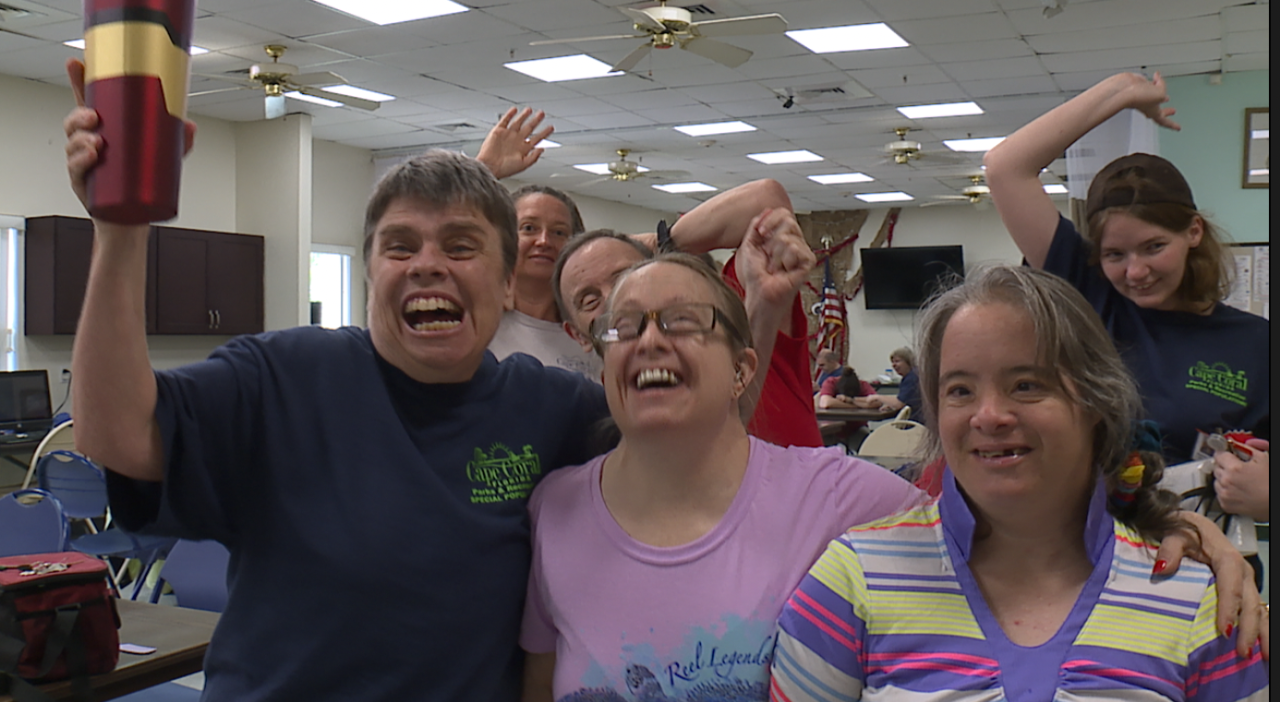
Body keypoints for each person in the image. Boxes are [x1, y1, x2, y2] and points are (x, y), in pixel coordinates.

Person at [63, 57, 617, 699]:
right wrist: (120, 227)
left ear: (505, 281)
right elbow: (116, 433)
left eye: (462, 247)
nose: (427, 265)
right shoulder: (283, 378)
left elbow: (688, 460)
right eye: (400, 247)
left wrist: (754, 306)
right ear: (368, 273)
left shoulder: (551, 408)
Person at [771, 266, 1269, 701]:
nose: (988, 416)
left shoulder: (1198, 597)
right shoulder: (851, 582)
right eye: (960, 390)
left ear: (1097, 403)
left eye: (1026, 385)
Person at [520, 254, 931, 701]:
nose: (650, 339)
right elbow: (539, 685)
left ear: (742, 371)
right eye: (626, 325)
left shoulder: (841, 497)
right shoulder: (556, 507)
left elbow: (988, 555)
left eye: (683, 320)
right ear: (605, 372)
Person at [983, 72, 1269, 466]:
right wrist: (1122, 92)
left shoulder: (1255, 343)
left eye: (1153, 247)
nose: (1135, 272)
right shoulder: (1086, 290)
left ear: (1193, 232)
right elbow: (1004, 167)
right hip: (1079, 523)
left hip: (1189, 524)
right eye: (1114, 254)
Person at [553, 181, 825, 447]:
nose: (613, 298)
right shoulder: (613, 424)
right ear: (578, 335)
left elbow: (766, 204)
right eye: (589, 300)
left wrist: (661, 242)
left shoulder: (740, 313)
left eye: (624, 277)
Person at [867, 346, 922, 417]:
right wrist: (890, 404)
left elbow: (899, 403)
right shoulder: (912, 375)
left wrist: (877, 397)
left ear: (908, 361)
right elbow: (904, 399)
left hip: (916, 422)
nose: (893, 365)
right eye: (892, 362)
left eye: (897, 361)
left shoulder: (912, 378)